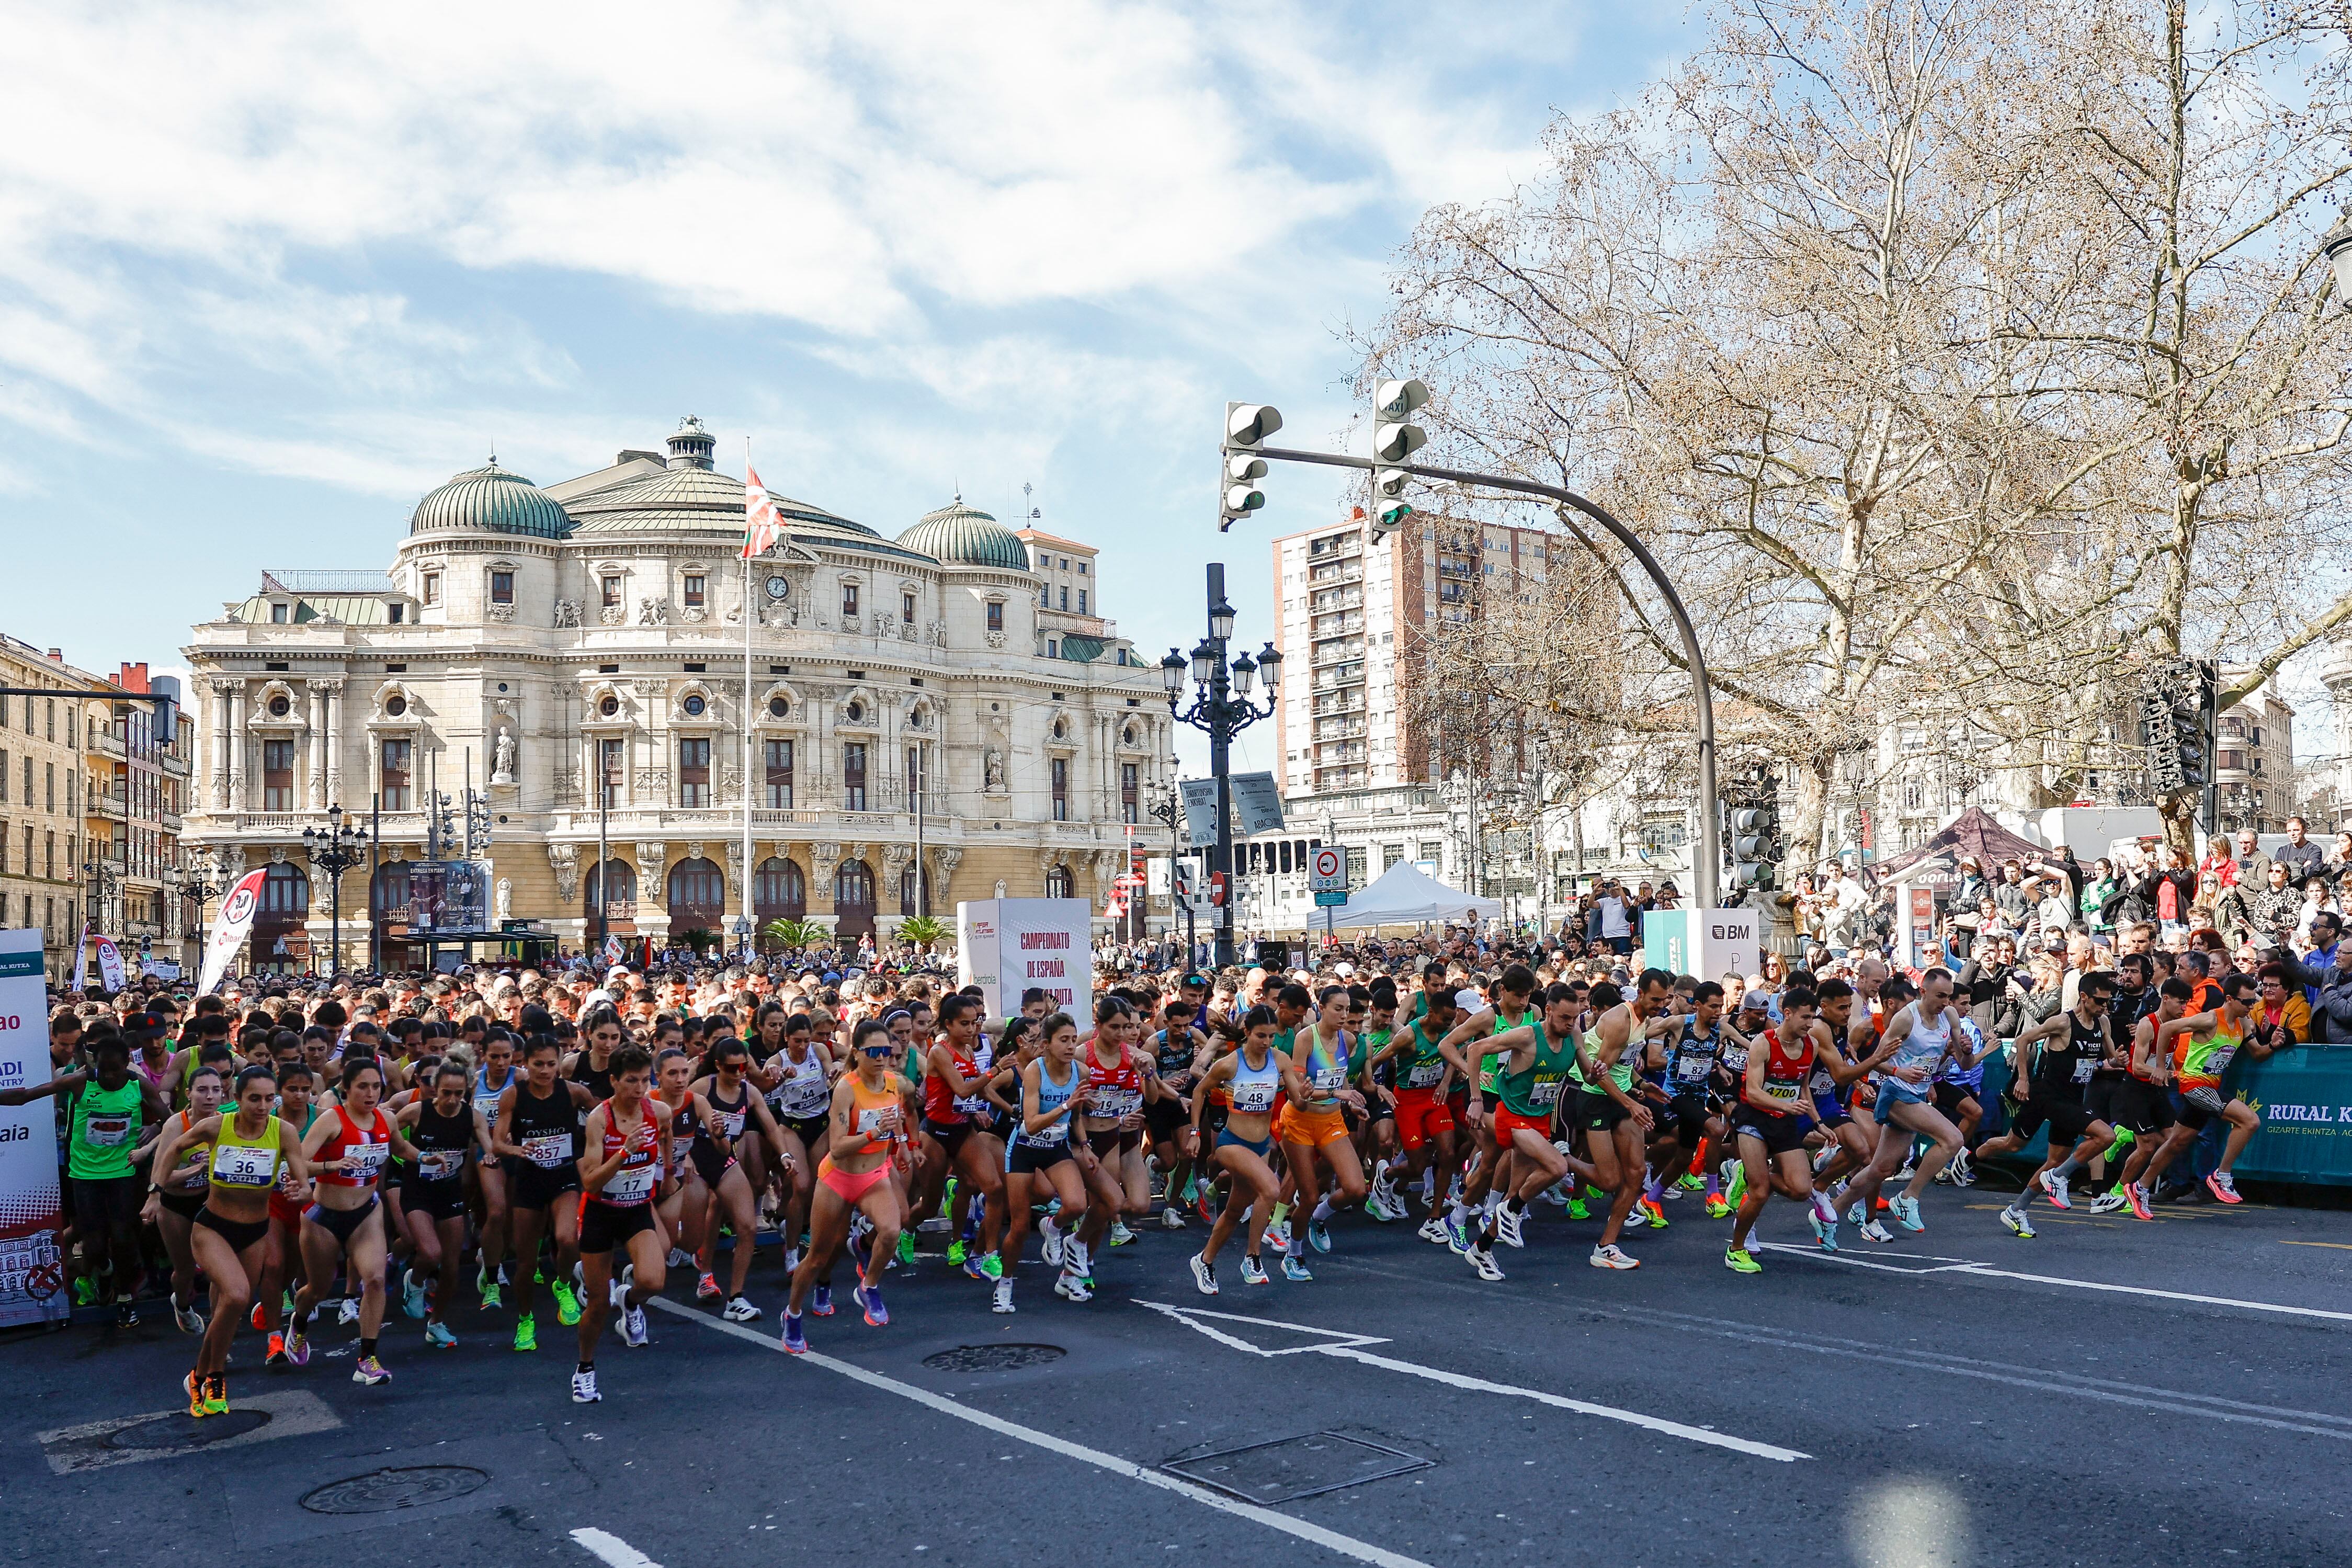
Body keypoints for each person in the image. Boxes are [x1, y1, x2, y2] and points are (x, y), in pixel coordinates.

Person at [143, 1065, 312, 1417]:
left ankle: (198, 1375)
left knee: (230, 1308)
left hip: (255, 1231)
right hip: (213, 1227)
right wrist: (156, 1192)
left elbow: (302, 1176)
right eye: (254, 1098)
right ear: (237, 1099)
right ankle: (216, 1376)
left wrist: (302, 1188)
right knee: (235, 1295)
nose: (263, 1106)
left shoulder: (284, 1132)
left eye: (269, 1098)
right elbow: (173, 1148)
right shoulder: (218, 1126)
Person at [0, 1030, 168, 1325]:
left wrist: (154, 1130)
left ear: (127, 1065)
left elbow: (171, 1121)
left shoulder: (138, 1085)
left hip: (124, 1172)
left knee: (124, 1237)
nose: (109, 1076)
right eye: (103, 1069)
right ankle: (103, 1272)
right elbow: (26, 1096)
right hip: (85, 1174)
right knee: (93, 1245)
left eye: (116, 1070)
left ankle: (125, 1298)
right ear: (95, 1064)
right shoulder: (80, 1083)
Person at [782, 1019, 918, 1345]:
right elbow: (839, 1147)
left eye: (886, 1051)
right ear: (857, 1053)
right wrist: (874, 1134)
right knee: (817, 1257)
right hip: (839, 1178)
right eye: (874, 1051)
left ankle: (868, 1286)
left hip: (874, 1176)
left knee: (892, 1229)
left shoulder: (894, 1084)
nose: (882, 1057)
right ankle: (793, 1314)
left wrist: (901, 1145)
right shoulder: (847, 1087)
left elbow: (896, 1115)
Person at [1976, 972, 2122, 1239]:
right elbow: (2022, 1041)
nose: (2104, 1007)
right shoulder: (2062, 1022)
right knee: (2104, 1135)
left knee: (2052, 1161)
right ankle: (1971, 1158)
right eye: (2100, 1001)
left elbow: (2111, 1057)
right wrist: (2023, 1078)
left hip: (2074, 1097)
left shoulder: (2103, 1023)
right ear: (2084, 997)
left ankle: (2017, 1210)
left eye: (2108, 1002)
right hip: (2049, 1096)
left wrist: (2118, 1060)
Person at [1188, 1006, 1314, 1294]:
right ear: (1247, 1033)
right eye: (1261, 1036)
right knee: (1270, 1189)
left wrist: (1303, 1096)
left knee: (1234, 1210)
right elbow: (1198, 1091)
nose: (1267, 1042)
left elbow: (1298, 1104)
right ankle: (1252, 1257)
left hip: (1260, 1146)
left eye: (1271, 1037)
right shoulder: (1230, 1064)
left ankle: (1204, 1261)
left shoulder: (1280, 1060)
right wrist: (1195, 1133)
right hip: (1232, 1143)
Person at [572, 1044, 674, 1402]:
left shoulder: (658, 1111)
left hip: (636, 1209)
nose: (640, 1088)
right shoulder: (601, 1119)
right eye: (632, 1081)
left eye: (646, 1080)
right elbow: (590, 1182)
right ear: (613, 1081)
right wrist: (624, 1154)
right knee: (598, 1305)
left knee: (653, 1281)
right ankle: (585, 1369)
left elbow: (667, 1137)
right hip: (600, 1212)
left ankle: (629, 1301)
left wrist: (669, 1172)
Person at [1835, 968, 1967, 1239]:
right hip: (1896, 1093)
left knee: (1880, 1169)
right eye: (1940, 996)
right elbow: (1877, 1060)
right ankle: (1908, 1198)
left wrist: (1964, 1049)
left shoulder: (1949, 1016)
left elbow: (1965, 1064)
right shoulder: (1907, 1019)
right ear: (1923, 992)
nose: (1945, 1003)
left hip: (1917, 1094)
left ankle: (1829, 1213)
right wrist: (1899, 1072)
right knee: (1953, 1139)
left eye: (1949, 997)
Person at [1724, 987, 1826, 1274]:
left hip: (1783, 1120)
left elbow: (1803, 1088)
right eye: (1805, 1017)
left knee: (1800, 1189)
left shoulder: (1811, 1045)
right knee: (1760, 1193)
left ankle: (1746, 1173)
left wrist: (1819, 1123)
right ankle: (1737, 1249)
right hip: (1753, 1118)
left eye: (1814, 1018)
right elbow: (1754, 1092)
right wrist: (1785, 1105)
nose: (1810, 1024)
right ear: (1788, 1014)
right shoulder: (1763, 1043)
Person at [393, 1057, 491, 1348]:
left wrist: (491, 1154)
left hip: (449, 1192)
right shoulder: (416, 1112)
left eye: (459, 1094)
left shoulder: (473, 1117)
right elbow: (385, 1131)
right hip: (417, 1191)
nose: (451, 1099)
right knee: (430, 1252)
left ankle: (436, 1323)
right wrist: (410, 1154)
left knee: (451, 1267)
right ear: (435, 1088)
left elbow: (488, 1142)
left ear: (468, 1091)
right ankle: (415, 1280)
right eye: (446, 1092)